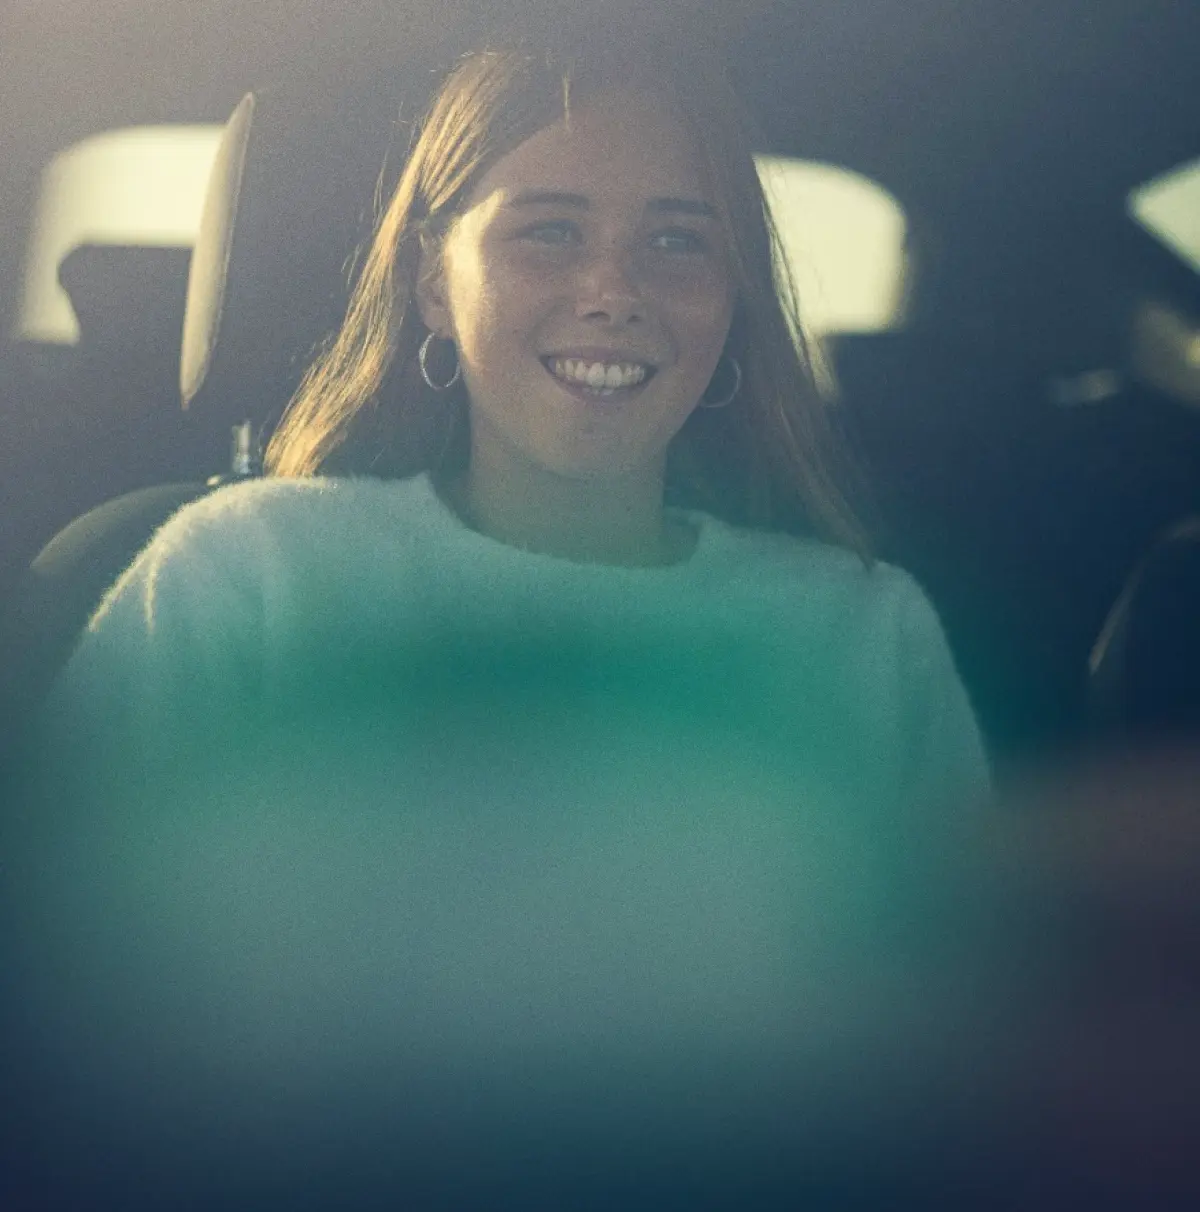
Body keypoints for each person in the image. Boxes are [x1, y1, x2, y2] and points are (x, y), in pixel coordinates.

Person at [9, 40, 997, 1209]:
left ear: (734, 295)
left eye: (678, 239)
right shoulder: (245, 576)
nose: (613, 289)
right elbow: (67, 1030)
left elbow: (957, 1079)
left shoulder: (860, 632)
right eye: (549, 229)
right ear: (435, 279)